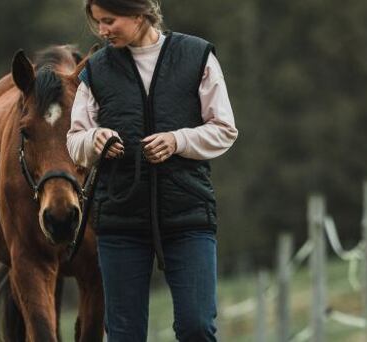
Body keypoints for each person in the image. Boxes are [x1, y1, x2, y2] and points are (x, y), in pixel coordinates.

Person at [66, 0, 238, 340]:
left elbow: (224, 129)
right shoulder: (96, 70)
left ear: (140, 12)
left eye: (109, 20)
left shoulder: (197, 56)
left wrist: (178, 141)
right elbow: (74, 141)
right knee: (124, 334)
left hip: (188, 214)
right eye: (97, 22)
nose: (102, 31)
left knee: (197, 327)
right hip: (120, 220)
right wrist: (95, 139)